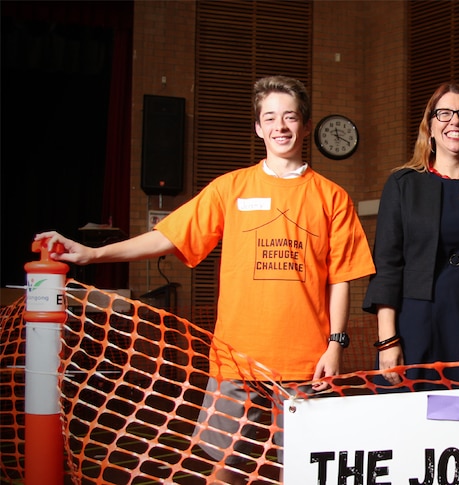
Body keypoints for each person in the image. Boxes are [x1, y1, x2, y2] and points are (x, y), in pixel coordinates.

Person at [35, 75, 375, 484]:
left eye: (290, 117)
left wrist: (335, 345)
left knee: (299, 473)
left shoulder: (332, 197)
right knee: (224, 470)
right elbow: (167, 236)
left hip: (307, 365)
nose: (280, 126)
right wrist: (94, 253)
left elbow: (342, 279)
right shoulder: (230, 188)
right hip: (236, 360)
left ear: (304, 124)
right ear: (257, 127)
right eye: (270, 117)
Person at [362, 82, 459, 390]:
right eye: (443, 113)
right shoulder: (403, 184)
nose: (454, 121)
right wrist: (387, 340)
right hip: (420, 320)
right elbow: (387, 266)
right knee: (419, 421)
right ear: (429, 127)